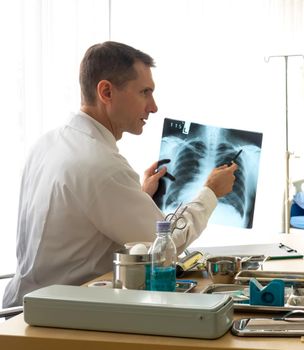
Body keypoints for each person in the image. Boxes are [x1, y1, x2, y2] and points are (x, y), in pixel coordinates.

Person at [3, 41, 238, 308]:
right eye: (144, 92)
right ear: (106, 91)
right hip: (59, 317)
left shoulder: (48, 143)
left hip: (20, 307)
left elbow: (80, 217)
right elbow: (164, 247)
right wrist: (210, 192)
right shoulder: (102, 165)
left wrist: (137, 196)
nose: (153, 106)